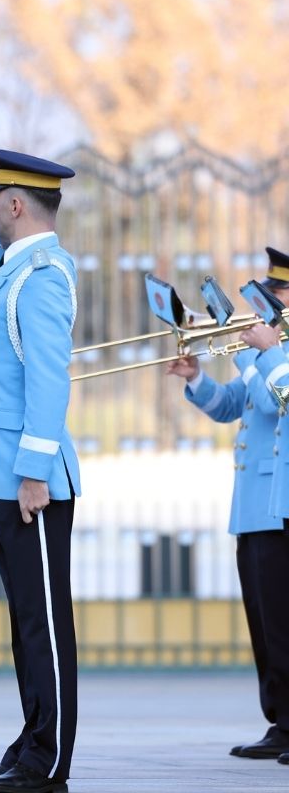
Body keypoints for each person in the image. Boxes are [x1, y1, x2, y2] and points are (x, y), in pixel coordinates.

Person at [0, 151, 80, 793]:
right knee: (26, 621)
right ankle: (31, 743)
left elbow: (49, 381)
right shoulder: (18, 272)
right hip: (4, 475)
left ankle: (48, 762)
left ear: (13, 205)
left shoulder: (42, 278)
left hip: (31, 482)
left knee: (45, 625)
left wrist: (34, 472)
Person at [231, 248, 289, 762]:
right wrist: (194, 379)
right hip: (255, 503)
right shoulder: (272, 349)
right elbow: (233, 404)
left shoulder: (277, 351)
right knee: (265, 623)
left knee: (283, 622)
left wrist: (260, 355)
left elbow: (278, 398)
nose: (269, 302)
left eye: (278, 294)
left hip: (278, 504)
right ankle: (281, 721)